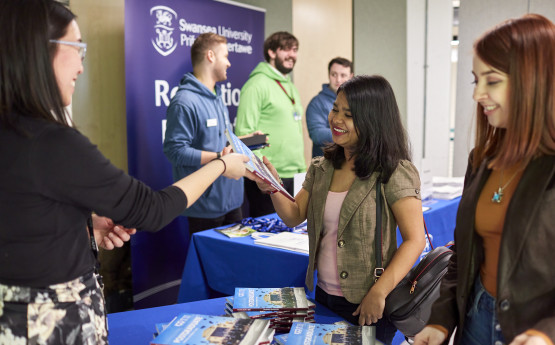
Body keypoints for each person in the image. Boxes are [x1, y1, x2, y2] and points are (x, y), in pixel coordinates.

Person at [0, 1, 250, 344]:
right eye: (78, 47)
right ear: (40, 51)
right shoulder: (52, 141)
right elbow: (153, 209)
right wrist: (222, 164)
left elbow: (25, 216)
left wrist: (86, 224)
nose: (82, 66)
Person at [414, 14, 555, 345]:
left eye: (492, 81)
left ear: (533, 81)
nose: (478, 94)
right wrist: (441, 319)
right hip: (476, 319)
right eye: (476, 81)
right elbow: (463, 255)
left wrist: (546, 332)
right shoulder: (483, 160)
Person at [255, 75, 426, 345]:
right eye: (335, 109)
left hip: (368, 303)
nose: (336, 119)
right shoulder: (323, 167)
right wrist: (273, 186)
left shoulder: (394, 171)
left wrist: (379, 293)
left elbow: (415, 240)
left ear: (372, 120)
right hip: (323, 296)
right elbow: (293, 215)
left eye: (348, 114)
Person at [163, 33, 257, 234]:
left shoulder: (217, 95)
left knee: (233, 264)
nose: (229, 63)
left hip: (233, 202)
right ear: (211, 56)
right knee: (211, 264)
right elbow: (175, 151)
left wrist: (247, 141)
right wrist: (220, 158)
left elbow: (219, 140)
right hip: (205, 208)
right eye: (226, 56)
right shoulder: (184, 101)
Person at [234, 31, 306, 217]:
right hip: (269, 176)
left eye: (295, 50)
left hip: (295, 173)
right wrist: (262, 175)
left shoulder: (289, 86)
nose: (292, 55)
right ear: (272, 52)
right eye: (286, 49)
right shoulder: (256, 85)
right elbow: (244, 135)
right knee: (268, 237)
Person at [306, 57, 353, 157]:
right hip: (326, 164)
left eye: (343, 75)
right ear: (329, 75)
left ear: (351, 76)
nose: (338, 79)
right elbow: (317, 134)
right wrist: (351, 133)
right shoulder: (316, 103)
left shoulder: (356, 101)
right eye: (334, 75)